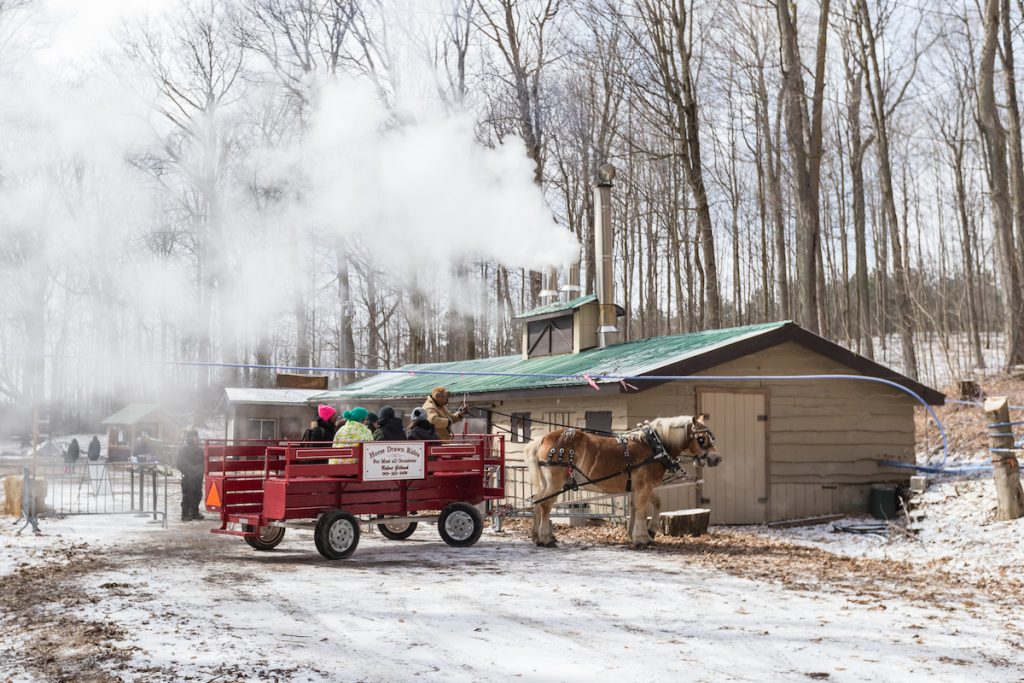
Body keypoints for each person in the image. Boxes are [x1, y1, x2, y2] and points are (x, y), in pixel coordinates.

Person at [177, 430, 205, 522]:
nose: (196, 438)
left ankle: (194, 513)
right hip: (188, 477)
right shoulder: (183, 450)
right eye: (194, 437)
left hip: (198, 477)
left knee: (198, 495)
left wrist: (201, 470)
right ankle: (185, 514)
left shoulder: (199, 450)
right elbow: (179, 463)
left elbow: (203, 462)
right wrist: (188, 471)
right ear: (189, 438)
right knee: (188, 496)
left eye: (196, 436)